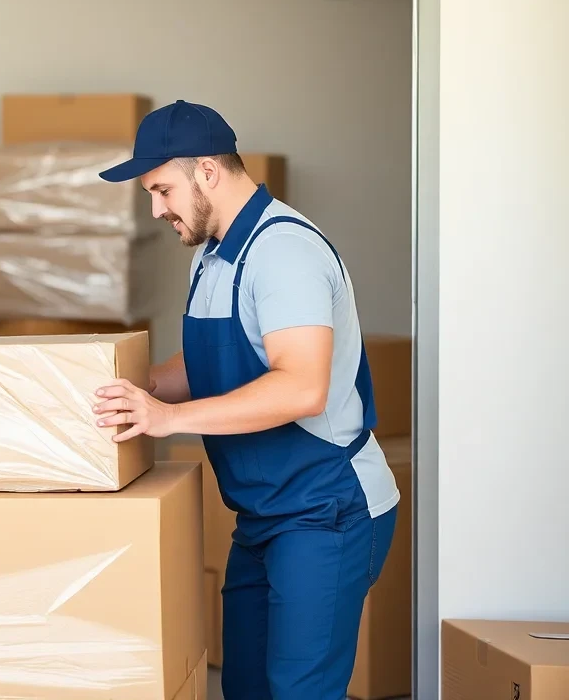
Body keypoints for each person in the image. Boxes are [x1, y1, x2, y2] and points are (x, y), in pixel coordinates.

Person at [91, 101, 400, 699]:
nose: (156, 209)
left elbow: (301, 386)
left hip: (326, 510)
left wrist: (168, 419)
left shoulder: (284, 252)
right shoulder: (213, 255)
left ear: (206, 172)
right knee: (248, 688)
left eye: (161, 190)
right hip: (264, 515)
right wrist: (139, 389)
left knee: (299, 692)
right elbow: (213, 359)